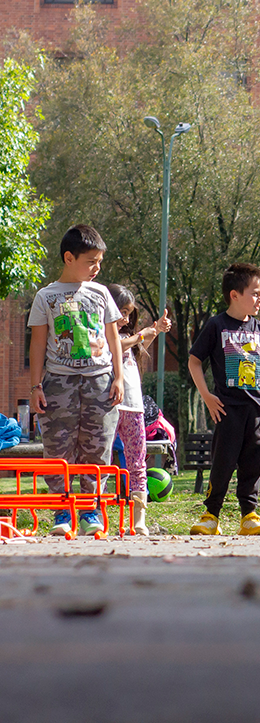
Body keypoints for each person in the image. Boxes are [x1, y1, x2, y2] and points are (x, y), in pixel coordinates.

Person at [27, 225, 125, 537]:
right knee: (58, 449)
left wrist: (119, 378)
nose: (97, 268)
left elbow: (113, 337)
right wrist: (35, 386)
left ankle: (89, 511)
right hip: (59, 382)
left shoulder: (101, 293)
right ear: (69, 258)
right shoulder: (46, 296)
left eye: (100, 262)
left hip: (99, 381)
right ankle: (62, 512)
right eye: (91, 262)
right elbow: (37, 344)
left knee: (97, 448)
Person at [187, 263, 260, 536]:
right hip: (228, 411)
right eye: (255, 293)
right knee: (223, 464)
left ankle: (249, 516)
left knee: (253, 465)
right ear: (235, 295)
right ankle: (210, 516)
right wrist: (207, 396)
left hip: (258, 411)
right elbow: (194, 361)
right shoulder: (216, 325)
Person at [106, 284, 172, 536]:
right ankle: (97, 516)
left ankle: (139, 520)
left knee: (137, 463)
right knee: (102, 463)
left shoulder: (129, 336)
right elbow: (115, 345)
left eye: (128, 313)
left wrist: (155, 330)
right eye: (121, 312)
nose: (124, 318)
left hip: (134, 407)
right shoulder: (101, 335)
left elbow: (138, 345)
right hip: (108, 408)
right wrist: (142, 335)